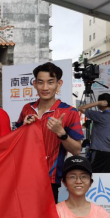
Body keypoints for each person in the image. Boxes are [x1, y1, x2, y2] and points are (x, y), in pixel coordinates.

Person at [17, 63, 83, 203]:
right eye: (40, 82)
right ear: (35, 84)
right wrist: (22, 128)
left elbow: (77, 150)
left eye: (50, 82)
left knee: (46, 217)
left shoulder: (69, 112)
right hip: (23, 176)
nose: (45, 87)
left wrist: (61, 133)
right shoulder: (27, 109)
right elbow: (15, 143)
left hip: (50, 179)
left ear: (59, 84)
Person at [78, 94, 110, 173]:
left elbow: (80, 108)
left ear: (102, 102)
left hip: (100, 152)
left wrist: (97, 103)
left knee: (93, 175)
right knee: (107, 175)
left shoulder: (100, 116)